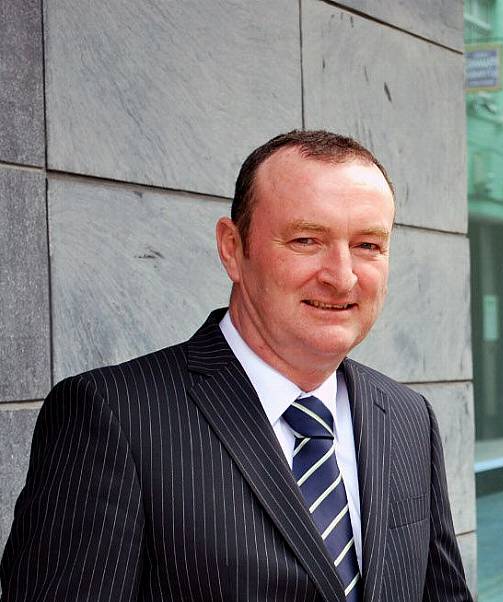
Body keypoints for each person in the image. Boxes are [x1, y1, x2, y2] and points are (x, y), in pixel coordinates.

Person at [0, 130, 473, 601]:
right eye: (307, 239)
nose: (343, 276)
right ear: (232, 248)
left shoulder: (409, 417)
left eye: (368, 245)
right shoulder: (113, 417)